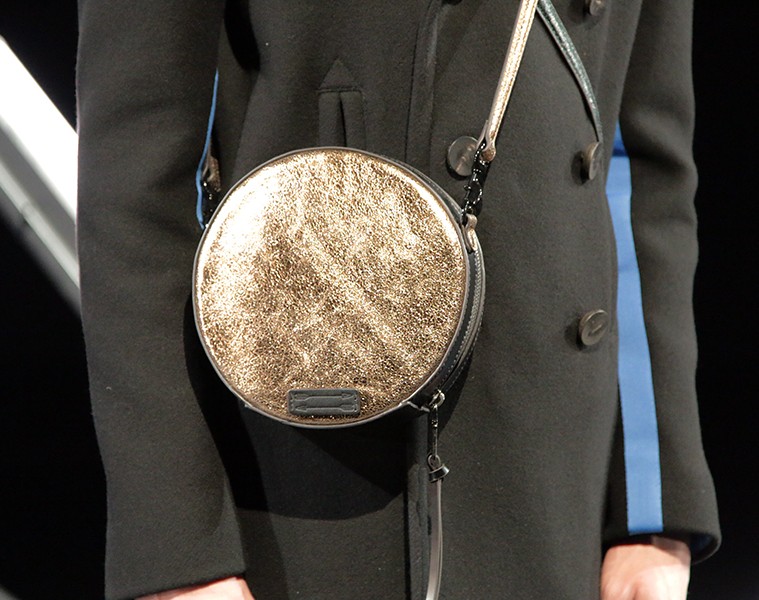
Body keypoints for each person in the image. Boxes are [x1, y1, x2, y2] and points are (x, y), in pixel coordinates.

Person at [75, 0, 720, 598]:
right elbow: (139, 168)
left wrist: (650, 511)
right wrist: (181, 553)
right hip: (306, 462)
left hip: (558, 486)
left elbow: (637, 162)